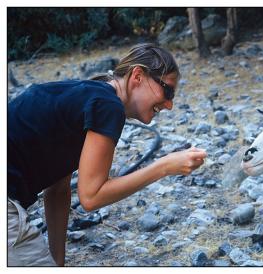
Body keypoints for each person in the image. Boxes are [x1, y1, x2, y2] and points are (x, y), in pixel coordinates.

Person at [7, 43, 207, 266]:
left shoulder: (86, 96)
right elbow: (91, 197)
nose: (169, 104)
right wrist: (164, 167)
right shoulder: (108, 105)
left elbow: (57, 190)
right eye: (167, 91)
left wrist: (57, 263)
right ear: (137, 76)